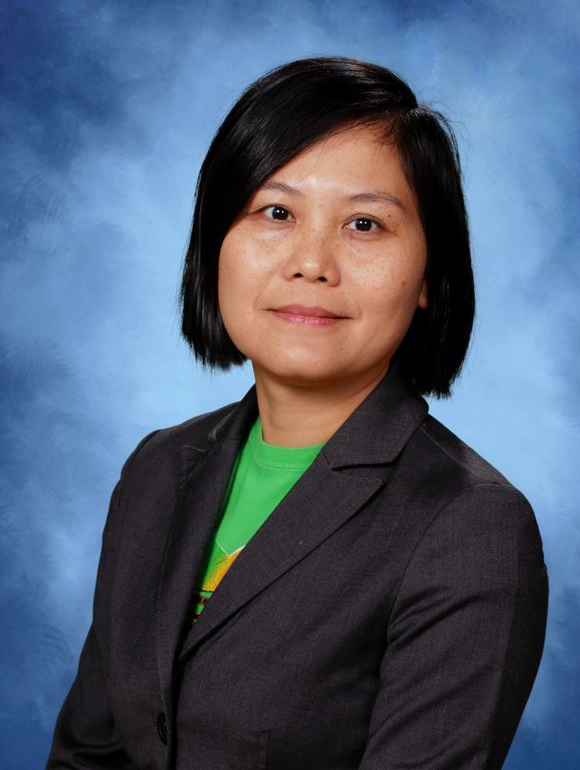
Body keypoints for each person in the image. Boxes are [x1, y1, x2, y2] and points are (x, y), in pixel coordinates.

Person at [46, 56, 548, 770]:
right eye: (276, 213)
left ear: (429, 277)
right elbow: (88, 756)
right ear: (215, 242)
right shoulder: (158, 468)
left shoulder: (470, 525)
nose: (312, 263)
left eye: (365, 224)